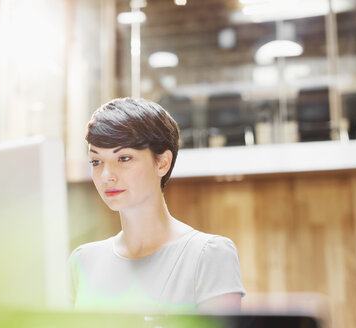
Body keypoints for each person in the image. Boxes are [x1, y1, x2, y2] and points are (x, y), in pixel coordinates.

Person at [69, 98, 245, 314]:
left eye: (124, 158)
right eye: (96, 161)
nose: (106, 176)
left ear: (162, 163)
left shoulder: (207, 255)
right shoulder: (83, 261)